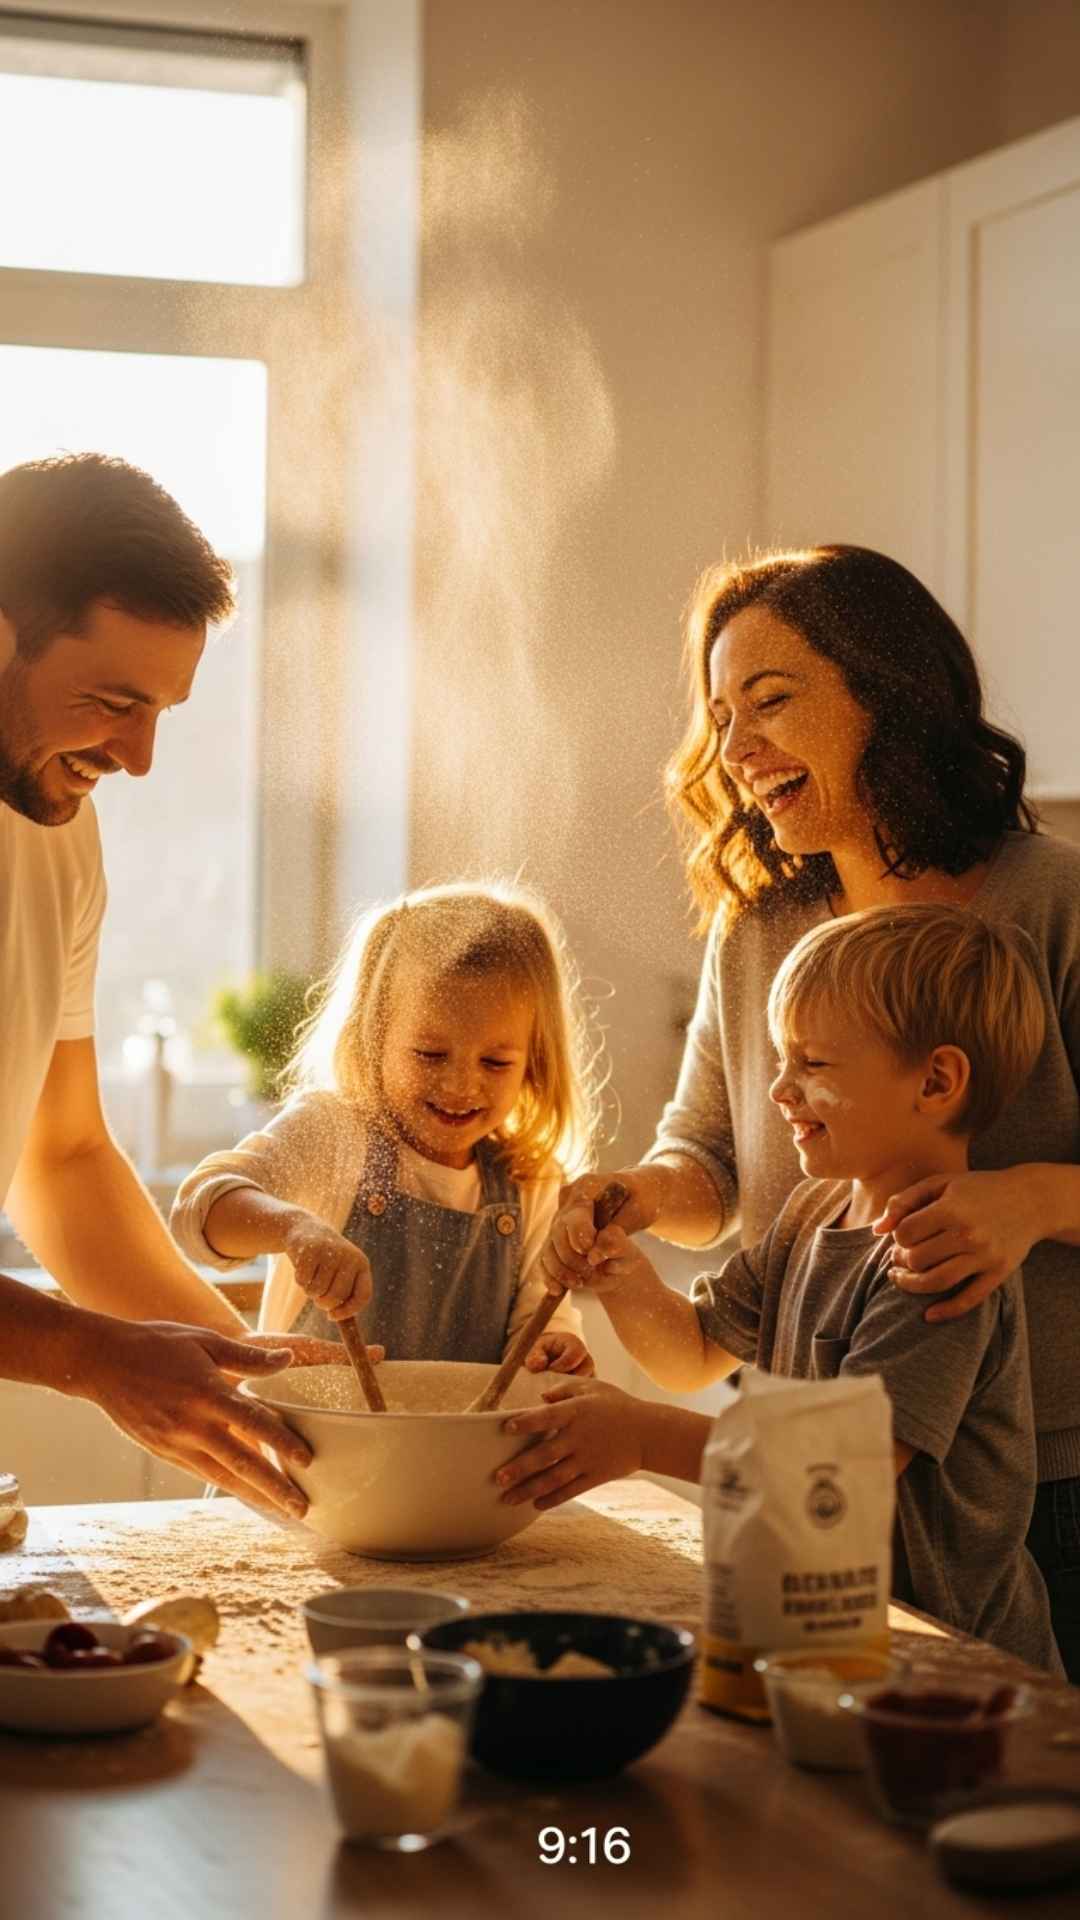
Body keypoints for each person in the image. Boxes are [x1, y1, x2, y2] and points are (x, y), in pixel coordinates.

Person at [541, 546, 1080, 1679]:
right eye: (722, 717)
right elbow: (710, 1163)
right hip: (800, 1480)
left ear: (889, 693)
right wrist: (637, 1201)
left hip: (1044, 1483)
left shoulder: (1054, 902)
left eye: (772, 703)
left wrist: (1029, 1201)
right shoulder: (759, 933)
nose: (734, 753)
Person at [504, 904, 1060, 1670]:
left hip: (950, 1658)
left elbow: (843, 1463)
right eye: (781, 1060)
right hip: (829, 1625)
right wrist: (621, 1272)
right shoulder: (811, 1212)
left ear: (935, 1081)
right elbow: (691, 1356)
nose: (778, 1092)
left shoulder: (936, 1258)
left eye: (813, 1064)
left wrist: (639, 1437)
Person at [0, 452, 352, 1519]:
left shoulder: (61, 840)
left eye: (159, 710)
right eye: (112, 702)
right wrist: (90, 1356)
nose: (139, 757)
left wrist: (258, 1384)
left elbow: (59, 1161)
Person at [171, 883, 599, 1374]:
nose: (461, 1083)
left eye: (496, 1062)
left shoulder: (530, 1182)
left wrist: (553, 1345)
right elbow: (197, 1211)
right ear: (373, 1037)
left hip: (462, 1452)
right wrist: (293, 1227)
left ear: (534, 1062)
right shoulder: (334, 1135)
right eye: (430, 1054)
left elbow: (540, 1320)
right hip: (320, 1450)